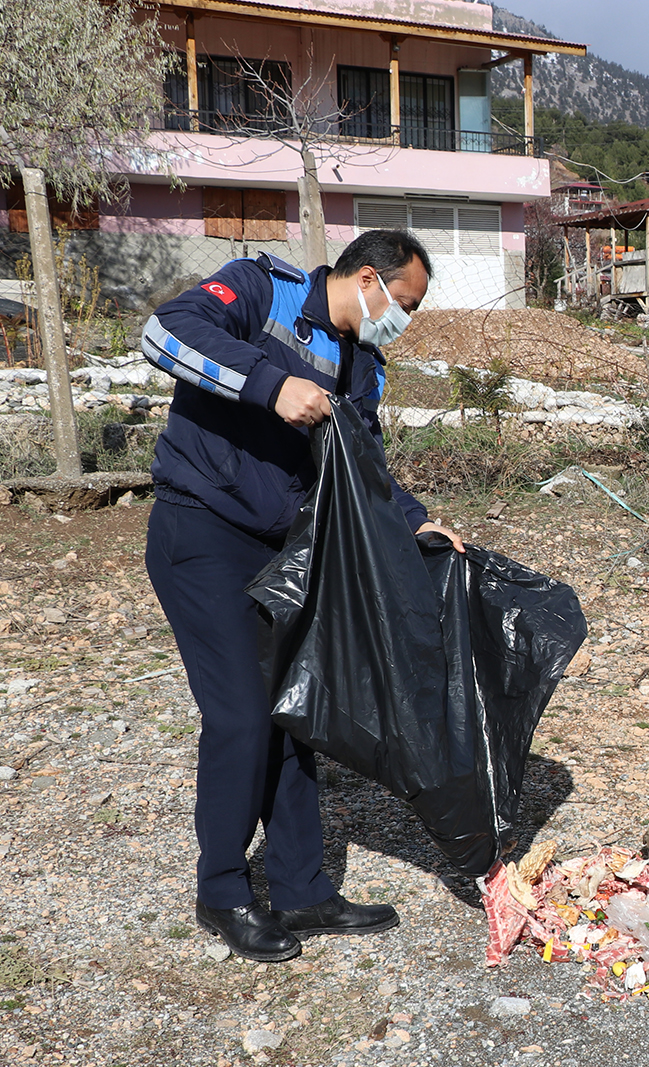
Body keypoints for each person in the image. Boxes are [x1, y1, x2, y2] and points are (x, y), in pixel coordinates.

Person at [141, 229, 464, 962]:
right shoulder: (264, 291)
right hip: (203, 531)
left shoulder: (365, 368)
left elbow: (364, 468)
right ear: (369, 279)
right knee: (242, 717)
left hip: (284, 552)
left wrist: (416, 523)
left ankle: (300, 888)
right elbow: (164, 332)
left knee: (295, 714)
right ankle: (221, 890)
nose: (402, 320)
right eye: (403, 304)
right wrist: (270, 384)